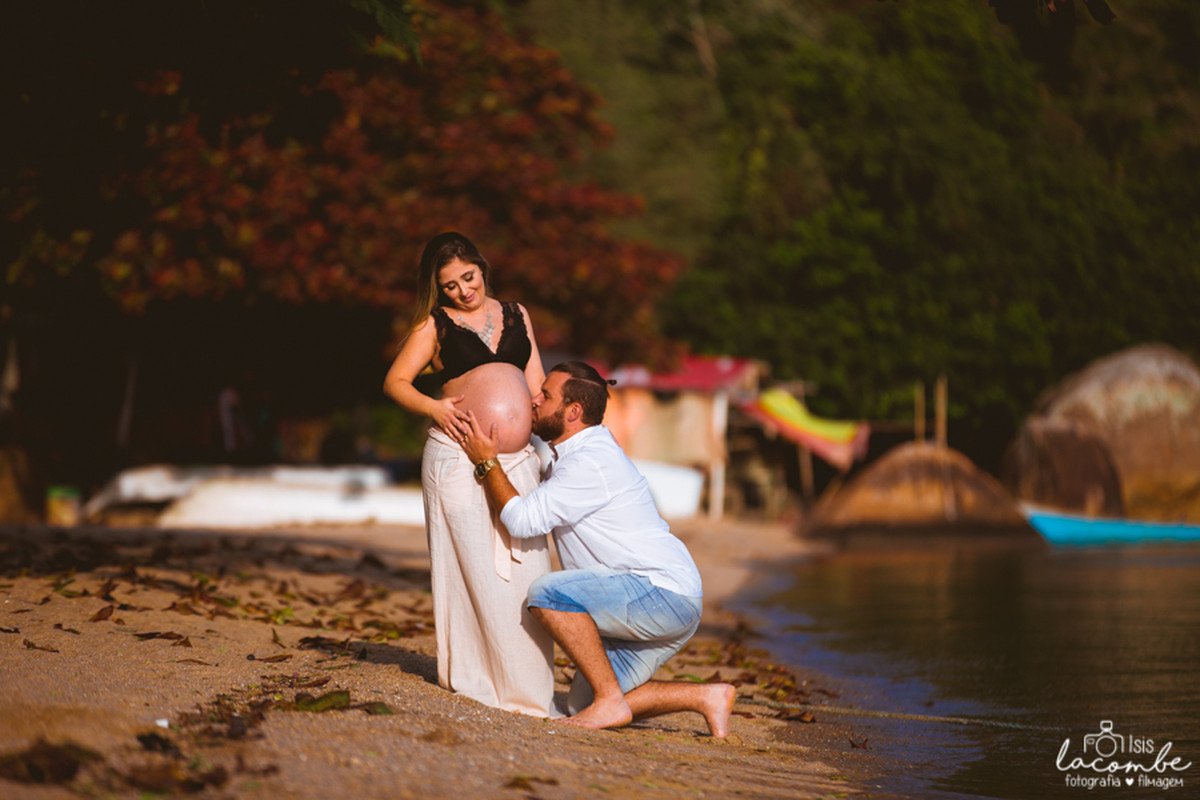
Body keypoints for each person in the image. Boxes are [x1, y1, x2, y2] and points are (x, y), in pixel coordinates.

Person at [454, 361, 735, 737]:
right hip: (668, 598)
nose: (533, 400)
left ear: (573, 412)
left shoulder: (589, 462)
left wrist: (486, 461)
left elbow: (521, 520)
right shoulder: (580, 452)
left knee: (547, 594)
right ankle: (707, 697)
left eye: (546, 395)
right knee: (581, 708)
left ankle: (609, 696)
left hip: (659, 592)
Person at [383, 232, 555, 717]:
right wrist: (435, 409)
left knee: (528, 575)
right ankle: (478, 680)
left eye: (468, 277)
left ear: (482, 267)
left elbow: (536, 383)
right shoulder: (434, 325)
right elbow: (395, 381)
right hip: (458, 458)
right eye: (450, 285)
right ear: (437, 288)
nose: (462, 290)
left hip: (518, 463)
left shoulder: (518, 314)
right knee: (472, 569)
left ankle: (528, 690)